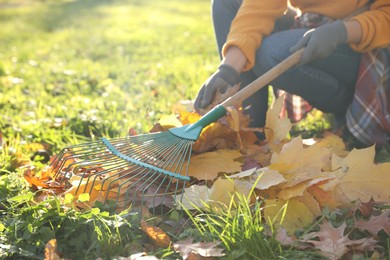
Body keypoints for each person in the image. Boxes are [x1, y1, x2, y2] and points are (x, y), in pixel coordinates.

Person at [194, 0, 390, 147]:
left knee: (270, 54)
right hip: (313, 24)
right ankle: (250, 130)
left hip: (365, 40)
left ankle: (349, 103)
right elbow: (259, 6)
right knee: (226, 2)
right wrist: (228, 68)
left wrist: (341, 32)